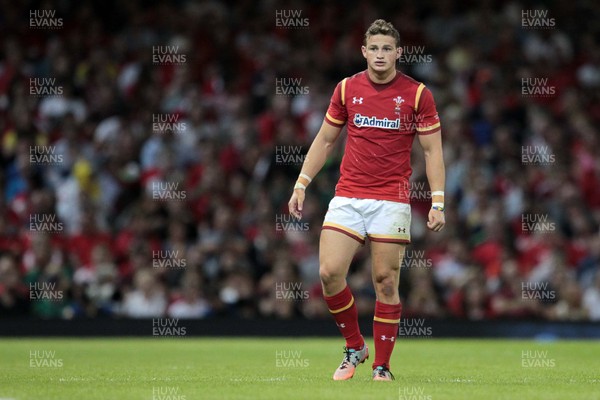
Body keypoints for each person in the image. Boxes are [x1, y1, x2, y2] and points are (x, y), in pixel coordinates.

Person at [288, 19, 445, 381]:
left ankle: (382, 366)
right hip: (348, 195)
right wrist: (301, 183)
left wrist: (438, 201)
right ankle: (355, 346)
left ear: (398, 53)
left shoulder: (418, 94)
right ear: (364, 51)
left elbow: (432, 151)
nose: (380, 54)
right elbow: (326, 140)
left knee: (385, 281)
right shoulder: (346, 89)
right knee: (328, 273)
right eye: (373, 48)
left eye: (386, 48)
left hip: (392, 199)